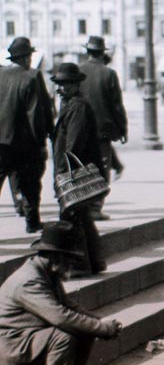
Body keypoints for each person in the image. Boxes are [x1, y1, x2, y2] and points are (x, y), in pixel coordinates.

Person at [0, 221, 122, 365]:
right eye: (69, 258)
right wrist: (102, 328)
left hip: (27, 339)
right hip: (11, 346)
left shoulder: (46, 271)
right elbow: (60, 317)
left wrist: (98, 322)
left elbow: (69, 305)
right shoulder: (29, 281)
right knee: (64, 334)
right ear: (55, 256)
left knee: (83, 329)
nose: (72, 264)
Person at [51, 63, 107, 275]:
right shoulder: (72, 105)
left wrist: (64, 175)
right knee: (81, 217)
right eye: (60, 84)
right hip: (73, 171)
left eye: (66, 84)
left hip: (72, 173)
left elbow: (73, 144)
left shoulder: (77, 107)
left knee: (71, 217)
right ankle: (95, 261)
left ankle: (79, 265)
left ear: (76, 85)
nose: (62, 88)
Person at [0, 37, 53, 233]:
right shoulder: (32, 76)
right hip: (23, 145)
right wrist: (41, 142)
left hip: (1, 142)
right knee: (30, 185)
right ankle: (32, 223)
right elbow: (36, 114)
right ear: (26, 58)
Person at [79, 36, 128, 222]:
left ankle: (83, 203)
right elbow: (116, 105)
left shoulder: (78, 71)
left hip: (81, 128)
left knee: (83, 166)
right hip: (102, 130)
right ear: (103, 52)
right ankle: (95, 207)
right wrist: (122, 129)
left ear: (88, 52)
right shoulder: (108, 74)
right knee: (101, 167)